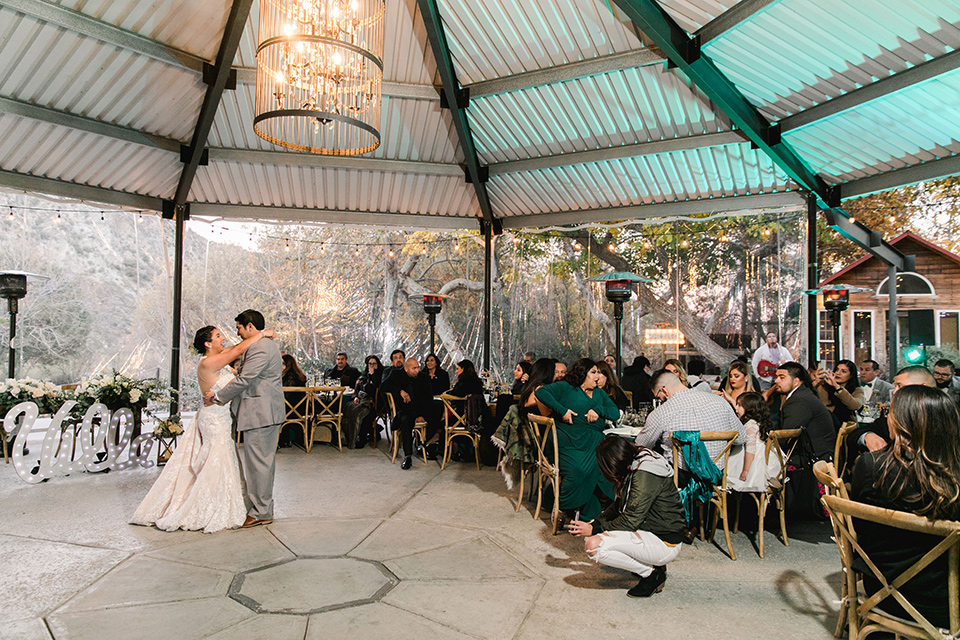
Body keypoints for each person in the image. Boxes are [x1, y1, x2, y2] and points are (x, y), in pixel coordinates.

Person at [132, 325, 270, 533]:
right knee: (218, 459)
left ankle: (222, 500)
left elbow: (235, 348)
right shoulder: (209, 362)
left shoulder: (218, 356)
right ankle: (207, 506)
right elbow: (238, 350)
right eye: (217, 336)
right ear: (207, 343)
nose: (222, 338)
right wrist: (263, 334)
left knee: (223, 458)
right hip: (214, 418)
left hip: (222, 416)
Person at [851, 385, 960, 628]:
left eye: (891, 412)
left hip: (888, 589)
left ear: (901, 422)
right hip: (949, 600)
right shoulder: (954, 474)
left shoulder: (872, 467)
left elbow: (861, 528)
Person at [569, 437, 686, 598]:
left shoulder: (644, 474)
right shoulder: (638, 462)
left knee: (594, 546)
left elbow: (631, 519)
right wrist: (595, 523)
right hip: (656, 532)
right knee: (594, 537)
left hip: (665, 542)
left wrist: (595, 529)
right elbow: (618, 506)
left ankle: (652, 574)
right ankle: (652, 567)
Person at [202, 310, 285, 528]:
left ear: (249, 327)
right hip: (262, 412)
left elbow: (245, 380)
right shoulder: (260, 344)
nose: (237, 333)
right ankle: (260, 508)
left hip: (261, 413)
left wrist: (218, 397)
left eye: (239, 328)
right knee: (261, 464)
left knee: (259, 465)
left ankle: (261, 512)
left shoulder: (261, 348)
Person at [535, 358, 621, 521]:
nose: (598, 376)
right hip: (567, 442)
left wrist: (599, 410)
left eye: (599, 372)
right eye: (593, 372)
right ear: (583, 374)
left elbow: (615, 413)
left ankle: (594, 509)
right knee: (579, 470)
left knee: (607, 467)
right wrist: (562, 411)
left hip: (594, 442)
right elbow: (540, 392)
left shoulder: (599, 394)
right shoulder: (566, 388)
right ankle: (563, 505)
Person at [636, 370, 745, 470]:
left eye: (659, 397)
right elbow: (741, 438)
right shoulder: (721, 402)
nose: (660, 400)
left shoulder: (661, 412)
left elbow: (640, 446)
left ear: (664, 390)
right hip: (717, 476)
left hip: (682, 479)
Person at [847, 365, 936, 457]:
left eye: (900, 386)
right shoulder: (893, 414)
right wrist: (867, 436)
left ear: (923, 387)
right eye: (895, 386)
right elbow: (855, 435)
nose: (895, 392)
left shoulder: (942, 418)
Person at [773, 362, 834, 462]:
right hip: (817, 455)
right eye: (777, 377)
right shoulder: (803, 394)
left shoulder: (799, 401)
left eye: (782, 377)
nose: (776, 381)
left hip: (815, 462)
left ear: (796, 381)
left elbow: (785, 436)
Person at [380, 357, 432, 469]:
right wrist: (400, 391)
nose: (416, 370)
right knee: (405, 419)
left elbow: (428, 399)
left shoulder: (423, 377)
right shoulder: (396, 374)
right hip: (404, 410)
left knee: (435, 414)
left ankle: (427, 447)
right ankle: (408, 456)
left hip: (419, 410)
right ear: (406, 369)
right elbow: (383, 386)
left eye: (417, 367)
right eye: (413, 368)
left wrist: (422, 415)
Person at [726, 392, 780, 492]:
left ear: (750, 408)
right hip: (765, 456)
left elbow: (750, 449)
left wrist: (746, 471)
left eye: (739, 405)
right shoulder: (758, 422)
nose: (736, 409)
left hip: (753, 460)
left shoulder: (750, 425)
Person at [813, 359, 864, 428]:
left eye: (843, 371)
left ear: (851, 375)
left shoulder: (857, 390)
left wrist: (837, 387)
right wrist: (814, 382)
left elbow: (855, 405)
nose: (838, 373)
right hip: (826, 424)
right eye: (837, 370)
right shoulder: (823, 386)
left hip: (846, 426)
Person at [351, 355, 383, 448]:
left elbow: (375, 389)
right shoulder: (363, 375)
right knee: (350, 408)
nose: (372, 366)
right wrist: (355, 397)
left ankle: (362, 439)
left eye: (374, 364)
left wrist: (372, 375)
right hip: (361, 400)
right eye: (370, 364)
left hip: (374, 403)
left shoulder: (380, 375)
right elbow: (357, 389)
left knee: (364, 413)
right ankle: (351, 437)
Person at [278, 353, 307, 448]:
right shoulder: (300, 376)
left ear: (287, 365)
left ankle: (278, 440)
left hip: (288, 410)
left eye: (282, 363)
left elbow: (285, 397)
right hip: (301, 410)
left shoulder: (287, 378)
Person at [857, 359, 893, 425]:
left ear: (876, 372)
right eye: (861, 369)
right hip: (856, 423)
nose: (863, 372)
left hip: (877, 424)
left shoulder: (887, 387)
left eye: (867, 370)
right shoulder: (854, 384)